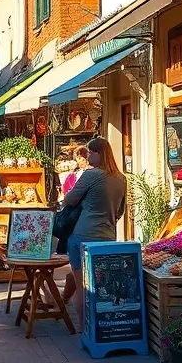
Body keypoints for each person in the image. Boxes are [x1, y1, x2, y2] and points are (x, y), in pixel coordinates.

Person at [60, 136, 127, 327]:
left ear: (100, 154)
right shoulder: (121, 179)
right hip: (107, 236)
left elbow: (70, 199)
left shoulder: (92, 175)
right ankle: (103, 324)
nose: (88, 155)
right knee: (102, 284)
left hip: (83, 234)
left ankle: (84, 327)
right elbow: (120, 211)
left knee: (83, 286)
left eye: (91, 152)